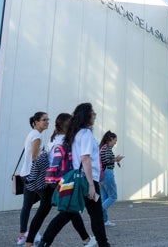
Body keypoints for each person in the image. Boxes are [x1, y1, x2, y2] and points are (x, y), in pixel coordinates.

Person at [38, 103, 110, 247]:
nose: (95, 116)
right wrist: (91, 185)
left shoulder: (74, 134)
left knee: (68, 214)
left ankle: (45, 242)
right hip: (87, 179)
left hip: (77, 178)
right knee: (95, 215)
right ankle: (103, 244)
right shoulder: (86, 134)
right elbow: (85, 158)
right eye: (93, 113)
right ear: (87, 116)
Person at [25, 113, 96, 247]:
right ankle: (48, 242)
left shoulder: (53, 139)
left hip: (49, 180)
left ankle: (28, 243)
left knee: (44, 213)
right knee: (70, 210)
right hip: (63, 181)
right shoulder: (68, 140)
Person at [17, 112, 49, 245]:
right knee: (48, 200)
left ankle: (23, 234)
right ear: (36, 122)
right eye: (44, 120)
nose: (47, 122)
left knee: (27, 205)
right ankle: (29, 233)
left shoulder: (33, 134)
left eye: (48, 120)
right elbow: (35, 158)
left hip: (26, 174)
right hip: (33, 175)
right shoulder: (36, 136)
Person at [99, 131, 124, 226]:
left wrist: (115, 160)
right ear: (110, 139)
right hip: (107, 173)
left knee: (104, 197)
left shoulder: (102, 148)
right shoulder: (106, 148)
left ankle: (104, 220)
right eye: (115, 140)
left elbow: (104, 160)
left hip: (102, 175)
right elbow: (105, 161)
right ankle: (98, 212)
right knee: (113, 196)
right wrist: (115, 160)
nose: (115, 143)